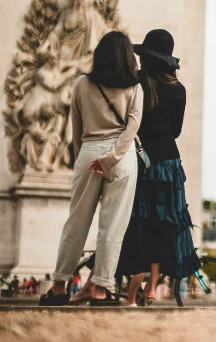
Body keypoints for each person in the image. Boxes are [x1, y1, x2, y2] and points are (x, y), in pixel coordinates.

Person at [41, 31, 143, 307]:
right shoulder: (135, 86)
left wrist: (84, 158)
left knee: (76, 223)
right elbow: (132, 127)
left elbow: (75, 128)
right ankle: (100, 289)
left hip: (89, 153)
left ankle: (59, 286)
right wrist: (112, 157)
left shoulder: (81, 85)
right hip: (122, 158)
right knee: (112, 227)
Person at [120, 29, 201, 307]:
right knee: (165, 226)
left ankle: (131, 291)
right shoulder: (179, 89)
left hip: (141, 159)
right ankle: (152, 286)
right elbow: (176, 130)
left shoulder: (137, 84)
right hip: (169, 162)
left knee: (140, 223)